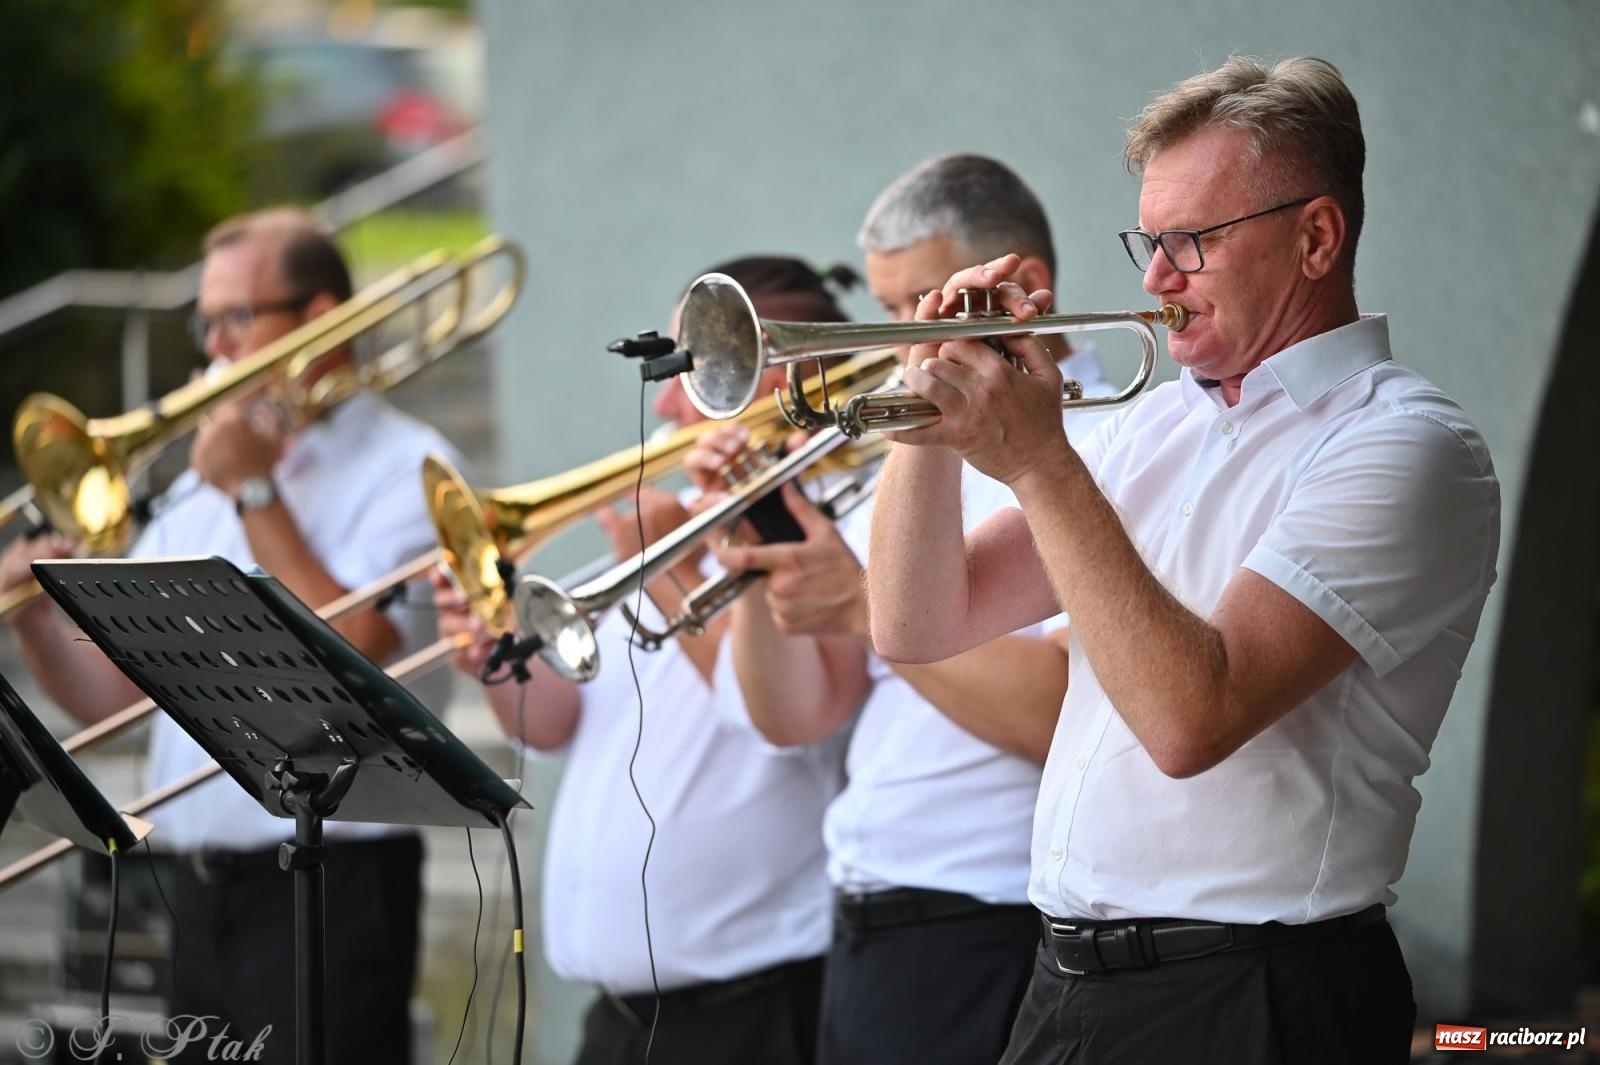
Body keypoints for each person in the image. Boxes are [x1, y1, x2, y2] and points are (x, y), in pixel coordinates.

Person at [866, 58, 1502, 1065]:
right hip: (1066, 982)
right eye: (1148, 241)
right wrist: (925, 405)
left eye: (1192, 241)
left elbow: (1189, 720)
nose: (1155, 280)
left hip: (1255, 992)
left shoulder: (1405, 444)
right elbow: (915, 623)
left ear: (1316, 237)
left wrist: (1039, 462)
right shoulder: (1151, 425)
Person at [0, 208, 460, 1064]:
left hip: (335, 885)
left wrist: (254, 491)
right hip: (198, 890)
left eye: (235, 318)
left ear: (320, 318)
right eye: (204, 323)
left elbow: (357, 642)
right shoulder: (200, 481)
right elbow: (118, 694)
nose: (213, 348)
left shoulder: (408, 466)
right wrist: (33, 617)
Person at [687, 155, 1107, 1065]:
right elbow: (799, 715)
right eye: (887, 307)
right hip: (868, 911)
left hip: (989, 916)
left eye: (922, 301)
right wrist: (757, 531)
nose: (898, 339)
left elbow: (1056, 711)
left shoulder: (1113, 438)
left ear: (1024, 285)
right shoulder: (900, 452)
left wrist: (858, 601)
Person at [435, 256, 856, 1065]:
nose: (663, 401)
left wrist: (666, 566)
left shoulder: (829, 526)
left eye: (694, 368)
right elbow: (558, 725)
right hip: (618, 1020)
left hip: (750, 1010)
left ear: (779, 377)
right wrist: (495, 653)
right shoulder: (670, 517)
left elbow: (781, 719)